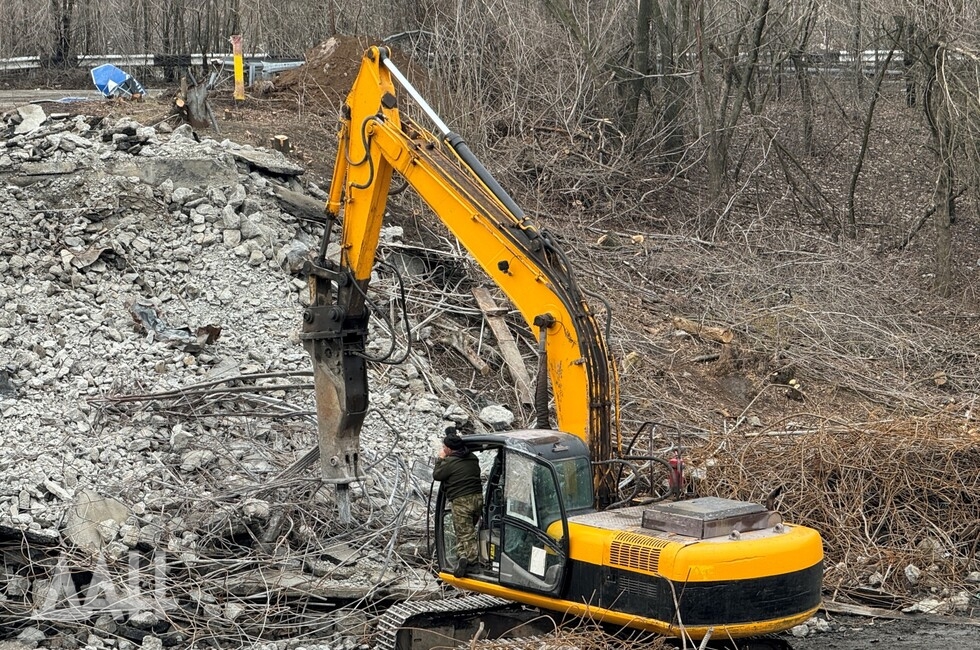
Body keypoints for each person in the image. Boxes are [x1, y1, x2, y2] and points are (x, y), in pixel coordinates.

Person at [432, 428, 483, 578]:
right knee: (465, 530)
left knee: (465, 534)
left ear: (448, 449)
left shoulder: (449, 462)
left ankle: (473, 564)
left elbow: (437, 475)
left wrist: (440, 459)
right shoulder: (473, 458)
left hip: (462, 501)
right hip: (478, 498)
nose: (443, 449)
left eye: (444, 447)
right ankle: (463, 557)